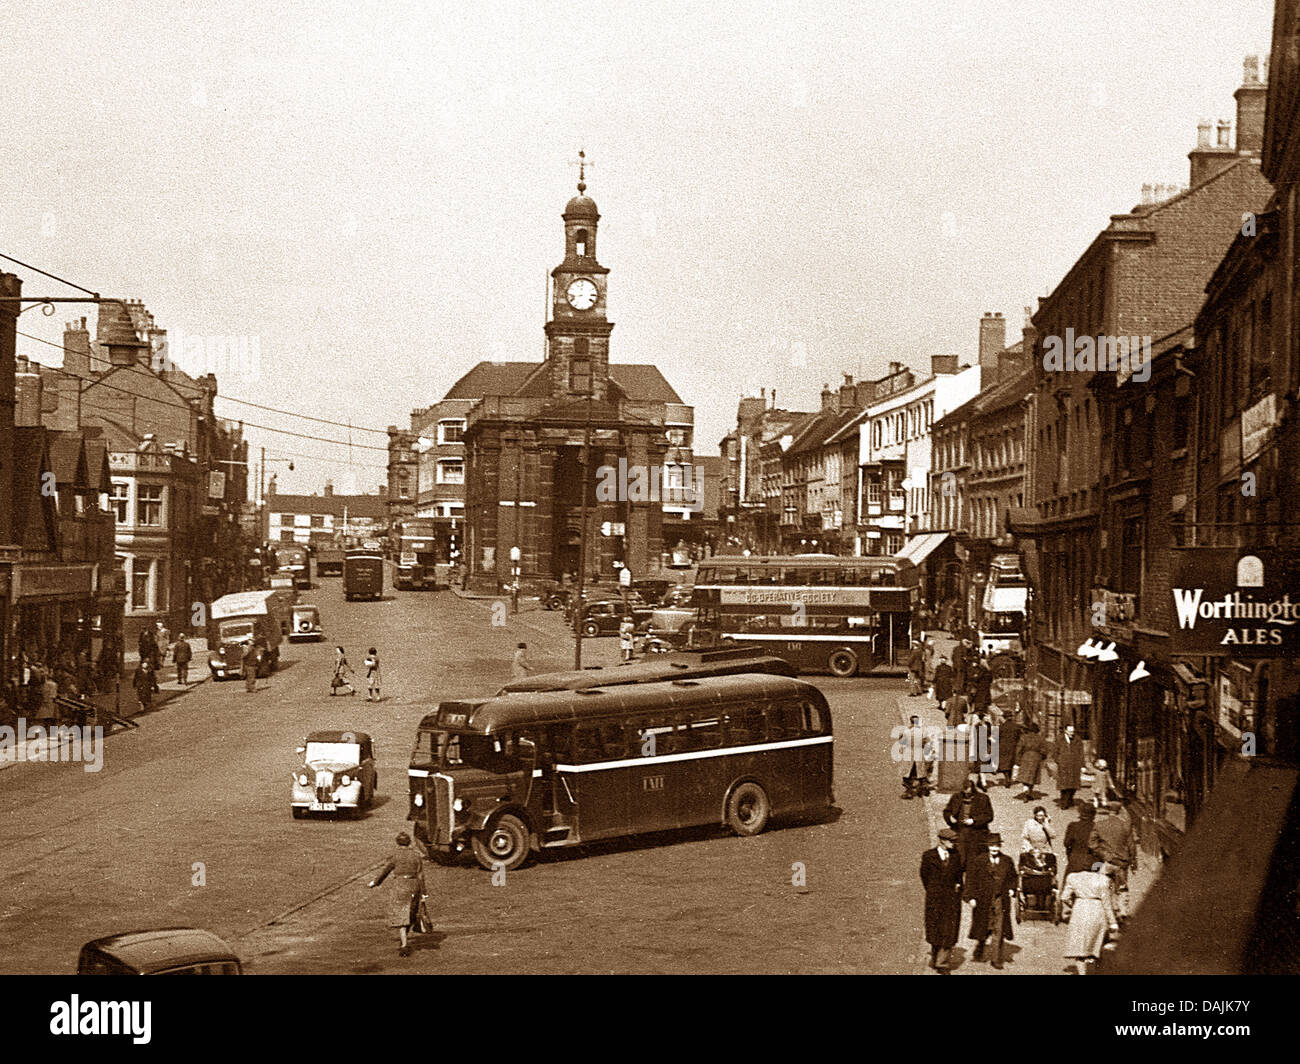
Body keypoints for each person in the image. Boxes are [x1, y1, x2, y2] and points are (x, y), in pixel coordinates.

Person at [368, 832, 427, 957]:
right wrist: (424, 892)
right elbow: (421, 875)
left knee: (401, 915)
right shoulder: (416, 856)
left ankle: (404, 944)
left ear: (397, 842)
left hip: (399, 886)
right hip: (413, 885)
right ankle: (404, 938)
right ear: (409, 842)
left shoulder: (395, 856)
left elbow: (385, 871)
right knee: (411, 913)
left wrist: (375, 882)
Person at [963, 832, 1017, 968]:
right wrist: (970, 897)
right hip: (983, 899)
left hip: (1000, 899)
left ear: (1000, 847)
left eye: (997, 846)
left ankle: (996, 959)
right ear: (987, 846)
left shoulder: (1007, 861)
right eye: (992, 846)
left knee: (999, 928)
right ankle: (980, 945)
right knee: (984, 926)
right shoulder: (979, 861)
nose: (995, 849)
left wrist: (1012, 889)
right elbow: (970, 880)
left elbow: (1013, 878)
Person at [1060, 864, 1120, 974]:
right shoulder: (1103, 880)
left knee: (1080, 946)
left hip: (1080, 910)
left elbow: (1064, 897)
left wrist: (1073, 905)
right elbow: (1107, 904)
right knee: (1096, 945)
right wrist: (1113, 922)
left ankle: (1082, 973)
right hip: (1097, 911)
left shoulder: (1073, 877)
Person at [920, 828, 964, 972]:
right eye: (951, 841)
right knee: (935, 929)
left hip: (952, 900)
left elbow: (959, 875)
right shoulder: (929, 856)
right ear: (942, 841)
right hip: (935, 899)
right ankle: (935, 956)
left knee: (949, 931)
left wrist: (958, 886)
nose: (954, 844)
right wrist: (933, 890)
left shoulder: (956, 855)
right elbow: (924, 876)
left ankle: (942, 963)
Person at [1089, 799, 1138, 913]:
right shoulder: (1125, 826)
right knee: (1122, 888)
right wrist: (1133, 862)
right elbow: (1131, 846)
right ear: (1119, 811)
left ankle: (1106, 912)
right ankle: (1123, 912)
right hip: (1122, 863)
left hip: (1107, 862)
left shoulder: (1100, 825)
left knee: (1104, 888)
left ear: (1108, 811)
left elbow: (1092, 844)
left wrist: (1105, 854)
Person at [943, 775, 994, 866]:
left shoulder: (983, 798)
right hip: (959, 829)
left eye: (968, 790)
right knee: (959, 851)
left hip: (976, 830)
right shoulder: (956, 797)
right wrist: (949, 818)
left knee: (973, 855)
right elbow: (947, 811)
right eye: (964, 790)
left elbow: (989, 816)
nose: (966, 793)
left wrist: (974, 820)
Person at [899, 715, 935, 799]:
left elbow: (901, 741)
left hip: (909, 755)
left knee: (908, 775)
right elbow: (927, 742)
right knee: (921, 774)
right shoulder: (922, 731)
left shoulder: (907, 731)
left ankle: (909, 792)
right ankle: (923, 790)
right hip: (919, 754)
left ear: (910, 722)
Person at [1012, 721, 1046, 800]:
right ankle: (1029, 791)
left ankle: (1026, 790)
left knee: (1025, 776)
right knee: (1032, 777)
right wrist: (1042, 757)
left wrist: (1018, 760)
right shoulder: (1040, 738)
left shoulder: (1024, 737)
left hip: (1026, 757)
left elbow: (1019, 749)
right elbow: (1044, 750)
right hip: (1036, 757)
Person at [1054, 723, 1085, 809]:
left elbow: (1081, 752)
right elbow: (1055, 752)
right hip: (1064, 765)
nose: (1072, 733)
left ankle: (1070, 799)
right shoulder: (1059, 739)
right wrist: (1059, 761)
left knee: (1074, 784)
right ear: (1065, 730)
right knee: (1064, 784)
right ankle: (1064, 802)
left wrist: (1082, 765)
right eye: (1070, 731)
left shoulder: (1077, 739)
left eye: (1073, 731)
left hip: (1075, 765)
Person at [1062, 803, 1097, 877]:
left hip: (1075, 860)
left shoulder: (1073, 826)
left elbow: (1067, 843)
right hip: (1091, 862)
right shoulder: (1097, 827)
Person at [995, 712, 1023, 787]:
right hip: (1013, 746)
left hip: (1003, 747)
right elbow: (1020, 737)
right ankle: (1009, 778)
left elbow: (997, 737)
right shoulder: (1016, 727)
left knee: (1004, 763)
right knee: (1011, 763)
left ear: (1004, 717)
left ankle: (1007, 777)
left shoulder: (1001, 727)